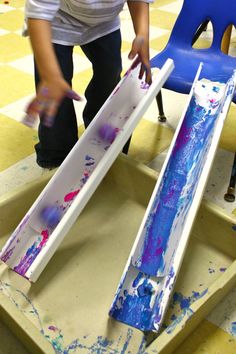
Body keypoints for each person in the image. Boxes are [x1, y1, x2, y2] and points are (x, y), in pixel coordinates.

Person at [24, 0, 152, 169]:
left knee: (109, 81)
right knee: (55, 98)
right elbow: (38, 13)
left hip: (104, 24)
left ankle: (102, 142)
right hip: (55, 23)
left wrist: (142, 33)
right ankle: (56, 156)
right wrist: (50, 76)